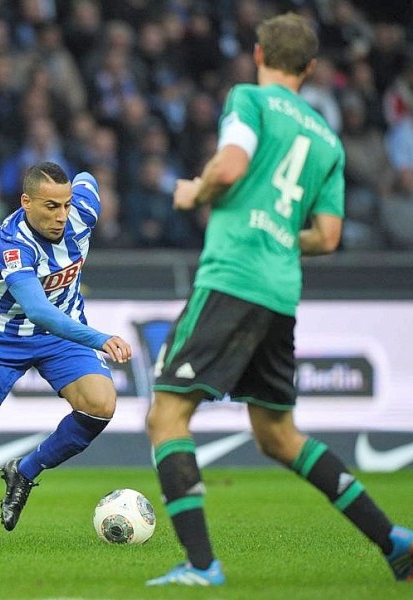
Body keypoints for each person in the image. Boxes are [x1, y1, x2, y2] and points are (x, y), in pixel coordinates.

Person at [144, 13, 413, 586]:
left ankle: (200, 566)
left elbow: (233, 163)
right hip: (280, 292)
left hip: (232, 276)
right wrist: (281, 232)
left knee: (167, 415)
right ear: (312, 68)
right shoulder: (326, 138)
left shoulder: (250, 100)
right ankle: (392, 540)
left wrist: (197, 192)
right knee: (278, 436)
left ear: (259, 54)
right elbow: (330, 236)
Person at [0, 161, 132, 541]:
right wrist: (98, 337)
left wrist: (79, 184)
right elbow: (37, 311)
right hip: (3, 336)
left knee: (101, 404)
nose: (62, 215)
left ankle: (26, 470)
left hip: (60, 338)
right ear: (26, 202)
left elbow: (88, 179)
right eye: (51, 206)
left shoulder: (82, 211)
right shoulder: (12, 241)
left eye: (66, 204)